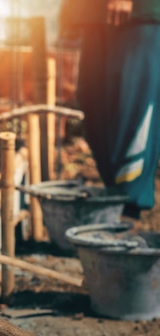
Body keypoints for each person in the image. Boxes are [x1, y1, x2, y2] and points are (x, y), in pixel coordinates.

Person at [60, 0, 160, 219]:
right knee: (92, 102)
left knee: (133, 107)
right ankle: (115, 201)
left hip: (136, 15)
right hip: (95, 15)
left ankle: (128, 210)